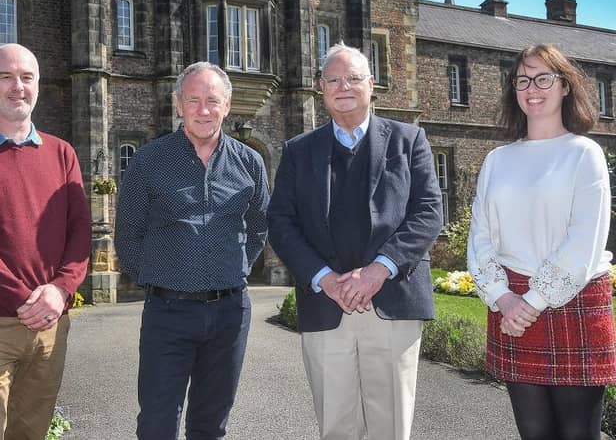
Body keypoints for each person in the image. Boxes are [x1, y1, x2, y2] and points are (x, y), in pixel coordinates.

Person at [267, 43, 443, 440]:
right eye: (333, 79)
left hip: (392, 300)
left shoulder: (409, 139)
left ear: (371, 85)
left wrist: (378, 270)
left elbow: (428, 212)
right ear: (320, 87)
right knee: (337, 425)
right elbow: (280, 222)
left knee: (391, 426)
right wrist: (325, 278)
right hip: (326, 304)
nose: (343, 86)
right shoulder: (298, 151)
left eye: (353, 78)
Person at [468, 44, 616, 440]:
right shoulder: (498, 159)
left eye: (543, 78)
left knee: (578, 435)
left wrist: (529, 303)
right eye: (523, 80)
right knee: (534, 435)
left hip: (574, 301)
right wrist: (503, 298)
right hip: (511, 304)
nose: (532, 88)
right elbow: (480, 236)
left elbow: (584, 241)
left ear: (565, 85)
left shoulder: (585, 153)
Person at [114, 61, 269, 440]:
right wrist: (159, 275)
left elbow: (260, 224)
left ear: (227, 105)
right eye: (194, 100)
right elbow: (128, 232)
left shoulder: (250, 162)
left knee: (211, 424)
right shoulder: (149, 160)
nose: (204, 110)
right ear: (179, 105)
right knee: (156, 424)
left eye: (212, 100)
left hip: (230, 313)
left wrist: (234, 270)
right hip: (168, 312)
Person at [0, 43, 91, 440]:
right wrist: (24, 298)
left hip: (51, 324)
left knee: (30, 432)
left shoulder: (62, 153)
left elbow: (80, 231)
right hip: (2, 319)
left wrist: (59, 291)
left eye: (26, 77)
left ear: (38, 86)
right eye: (5, 76)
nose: (17, 86)